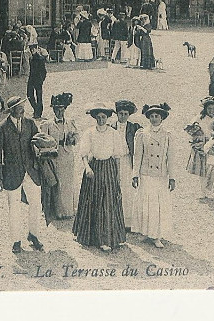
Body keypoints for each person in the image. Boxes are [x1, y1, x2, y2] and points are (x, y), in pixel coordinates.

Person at [0, 95, 45, 253]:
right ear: (12, 110)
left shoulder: (30, 123)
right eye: (19, 106)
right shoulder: (1, 128)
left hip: (31, 172)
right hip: (11, 174)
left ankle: (34, 235)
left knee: (36, 204)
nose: (22, 108)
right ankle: (16, 241)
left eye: (23, 105)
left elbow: (39, 141)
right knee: (14, 208)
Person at [73, 102, 127, 251]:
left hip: (109, 168)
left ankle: (109, 238)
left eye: (104, 117)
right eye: (98, 117)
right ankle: (92, 237)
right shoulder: (89, 133)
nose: (101, 120)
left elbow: (117, 157)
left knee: (108, 202)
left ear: (108, 118)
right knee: (93, 201)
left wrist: (117, 175)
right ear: (95, 118)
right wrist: (87, 168)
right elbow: (84, 154)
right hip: (94, 169)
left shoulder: (114, 133)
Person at [131, 103, 177, 247]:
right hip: (146, 174)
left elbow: (171, 157)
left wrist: (172, 177)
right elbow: (137, 156)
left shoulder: (168, 135)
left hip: (160, 175)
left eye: (157, 116)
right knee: (146, 204)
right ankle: (145, 232)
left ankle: (156, 235)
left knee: (158, 205)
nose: (154, 119)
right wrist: (135, 175)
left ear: (162, 117)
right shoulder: (142, 134)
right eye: (152, 116)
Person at [43, 93, 79, 220]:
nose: (59, 112)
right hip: (54, 156)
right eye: (57, 110)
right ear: (53, 110)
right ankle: (57, 211)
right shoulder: (47, 124)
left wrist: (72, 139)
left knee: (68, 183)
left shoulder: (70, 122)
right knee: (56, 182)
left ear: (65, 109)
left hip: (67, 155)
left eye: (61, 109)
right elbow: (42, 140)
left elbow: (77, 137)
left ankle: (68, 210)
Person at [113, 100, 141, 232]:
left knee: (128, 190)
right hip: (114, 161)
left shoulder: (134, 128)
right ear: (117, 114)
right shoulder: (111, 127)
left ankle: (128, 221)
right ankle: (114, 220)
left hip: (128, 160)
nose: (123, 116)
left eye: (125, 114)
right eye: (120, 113)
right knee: (114, 188)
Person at [187, 96, 214, 179]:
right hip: (202, 145)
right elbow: (189, 128)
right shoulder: (199, 118)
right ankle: (204, 190)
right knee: (203, 170)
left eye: (213, 109)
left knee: (213, 169)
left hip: (213, 145)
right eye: (209, 108)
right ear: (205, 109)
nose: (211, 111)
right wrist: (197, 132)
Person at [26, 42, 48, 119]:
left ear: (36, 49)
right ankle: (36, 109)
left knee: (39, 97)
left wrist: (41, 80)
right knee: (29, 95)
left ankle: (38, 113)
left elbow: (44, 71)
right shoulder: (31, 58)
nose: (32, 51)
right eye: (31, 49)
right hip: (31, 79)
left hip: (38, 79)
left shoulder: (40, 59)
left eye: (33, 49)